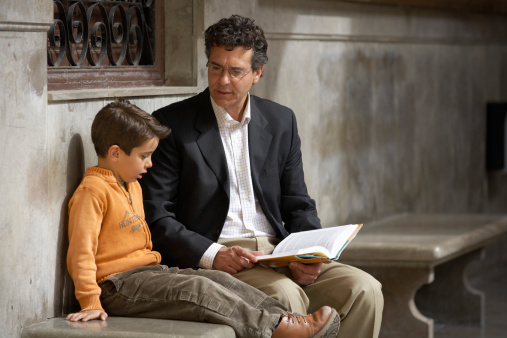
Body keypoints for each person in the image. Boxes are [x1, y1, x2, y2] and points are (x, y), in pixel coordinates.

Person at [140, 15, 384, 338]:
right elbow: (156, 217)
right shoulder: (173, 125)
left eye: (236, 71)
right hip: (221, 254)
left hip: (280, 251)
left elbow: (298, 203)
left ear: (258, 73)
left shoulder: (281, 121)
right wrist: (214, 256)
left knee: (365, 291)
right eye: (215, 68)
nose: (223, 80)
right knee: (284, 296)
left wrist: (309, 255)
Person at [65, 99, 341, 338]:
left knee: (220, 281)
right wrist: (90, 301)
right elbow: (81, 254)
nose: (150, 164)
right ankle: (274, 328)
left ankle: (287, 320)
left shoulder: (131, 184)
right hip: (116, 286)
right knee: (198, 289)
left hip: (147, 274)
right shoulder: (92, 192)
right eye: (144, 156)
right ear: (115, 153)